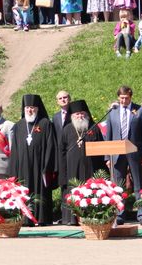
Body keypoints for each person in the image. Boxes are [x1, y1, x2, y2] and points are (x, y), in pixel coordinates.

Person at [104, 86, 142, 224]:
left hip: (134, 152)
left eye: (126, 98)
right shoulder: (112, 112)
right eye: (121, 98)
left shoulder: (139, 110)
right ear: (118, 98)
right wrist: (107, 156)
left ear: (131, 97)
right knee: (118, 184)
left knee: (138, 183)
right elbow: (109, 135)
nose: (123, 101)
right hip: (117, 153)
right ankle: (120, 213)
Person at [10, 94, 56, 226]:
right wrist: (14, 169)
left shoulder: (45, 123)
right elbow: (15, 150)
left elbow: (50, 146)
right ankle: (25, 219)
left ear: (38, 108)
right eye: (27, 107)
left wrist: (47, 165)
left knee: (40, 190)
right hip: (23, 168)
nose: (30, 110)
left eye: (32, 108)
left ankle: (42, 218)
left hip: (40, 165)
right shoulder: (19, 125)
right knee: (23, 190)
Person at [59, 99, 106, 223]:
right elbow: (62, 152)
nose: (80, 116)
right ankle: (72, 219)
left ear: (87, 115)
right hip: (72, 169)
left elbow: (101, 149)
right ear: (72, 116)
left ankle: (92, 214)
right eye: (77, 114)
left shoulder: (94, 128)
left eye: (82, 114)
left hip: (91, 167)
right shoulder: (67, 129)